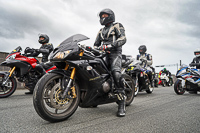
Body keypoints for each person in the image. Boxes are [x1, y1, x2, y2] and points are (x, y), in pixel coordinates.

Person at [94, 8, 127, 117]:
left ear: (111, 16)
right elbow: (96, 44)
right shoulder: (100, 31)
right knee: (94, 70)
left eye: (105, 16)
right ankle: (95, 96)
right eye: (101, 16)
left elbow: (123, 38)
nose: (103, 18)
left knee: (116, 73)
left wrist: (111, 45)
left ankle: (122, 102)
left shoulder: (117, 26)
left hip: (115, 53)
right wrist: (93, 48)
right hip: (103, 54)